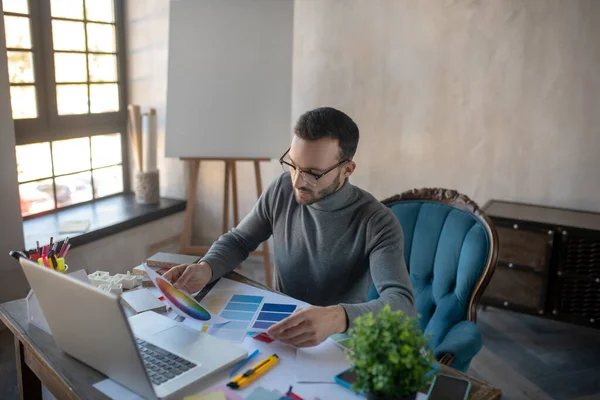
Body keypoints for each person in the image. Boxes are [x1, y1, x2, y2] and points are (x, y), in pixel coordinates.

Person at [164, 107, 415, 347]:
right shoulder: (281, 188)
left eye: (313, 173)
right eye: (293, 165)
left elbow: (401, 304)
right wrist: (206, 268)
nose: (297, 181)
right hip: (277, 327)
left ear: (347, 169)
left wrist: (338, 317)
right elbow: (240, 241)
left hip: (337, 342)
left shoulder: (377, 221)